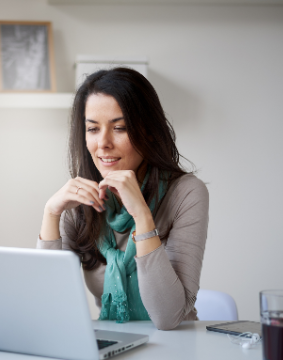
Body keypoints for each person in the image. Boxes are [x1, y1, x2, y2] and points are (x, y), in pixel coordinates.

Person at [37, 67, 209, 331]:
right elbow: (46, 305)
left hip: (177, 346)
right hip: (111, 342)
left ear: (149, 131)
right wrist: (51, 214)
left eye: (119, 128)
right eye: (93, 129)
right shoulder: (80, 200)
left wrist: (142, 215)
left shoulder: (186, 193)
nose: (103, 143)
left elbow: (167, 317)